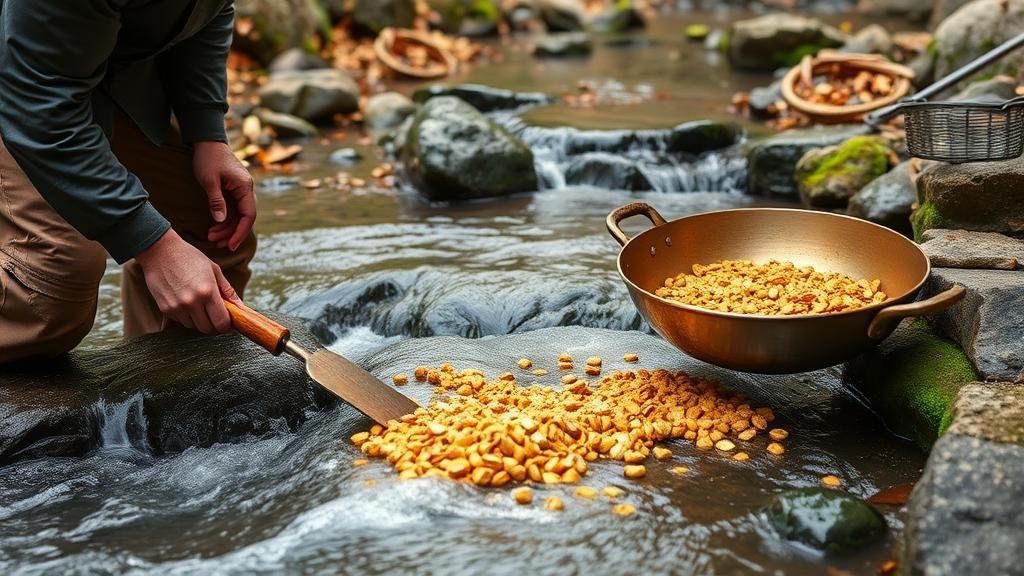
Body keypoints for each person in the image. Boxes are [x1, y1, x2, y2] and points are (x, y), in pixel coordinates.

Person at [0, 0, 256, 364]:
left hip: (97, 66)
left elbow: (210, 11)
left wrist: (207, 132)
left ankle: (155, 397)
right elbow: (39, 104)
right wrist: (153, 245)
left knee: (218, 222)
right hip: (22, 83)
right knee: (51, 292)